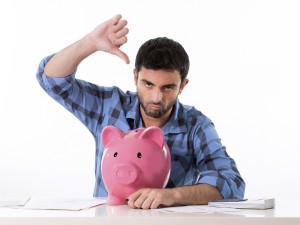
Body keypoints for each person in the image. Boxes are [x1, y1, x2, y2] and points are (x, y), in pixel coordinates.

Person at [36, 14, 245, 209]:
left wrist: (173, 196)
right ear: (135, 76)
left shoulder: (196, 125)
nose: (156, 97)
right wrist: (89, 43)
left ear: (183, 86)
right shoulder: (109, 106)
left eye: (168, 88)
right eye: (148, 84)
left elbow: (232, 183)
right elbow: (52, 81)